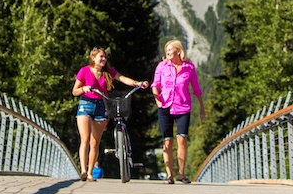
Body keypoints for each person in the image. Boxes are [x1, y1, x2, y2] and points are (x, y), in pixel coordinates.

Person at [72, 47, 148, 181]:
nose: (103, 59)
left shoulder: (108, 72)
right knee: (85, 138)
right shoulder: (84, 71)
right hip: (86, 104)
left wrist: (138, 83)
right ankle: (83, 170)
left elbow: (122, 78)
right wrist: (84, 88)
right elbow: (75, 91)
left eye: (105, 57)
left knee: (95, 142)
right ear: (93, 58)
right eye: (101, 57)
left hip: (102, 105)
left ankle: (90, 172)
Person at [152, 39, 205, 184]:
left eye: (170, 50)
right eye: (166, 50)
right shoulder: (162, 67)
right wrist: (157, 99)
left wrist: (201, 108)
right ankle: (169, 175)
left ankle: (181, 174)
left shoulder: (189, 68)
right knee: (167, 141)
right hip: (165, 106)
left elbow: (196, 89)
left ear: (178, 51)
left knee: (182, 139)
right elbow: (155, 85)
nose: (168, 53)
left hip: (183, 107)